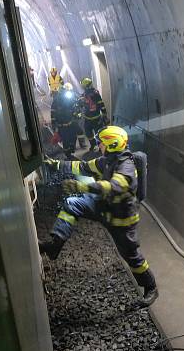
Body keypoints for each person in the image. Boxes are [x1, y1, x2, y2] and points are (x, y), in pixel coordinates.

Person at [39, 125, 159, 307]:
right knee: (73, 203)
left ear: (112, 144)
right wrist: (57, 165)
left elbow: (113, 186)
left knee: (132, 257)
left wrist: (83, 187)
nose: (98, 145)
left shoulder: (126, 166)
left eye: (101, 143)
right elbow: (83, 166)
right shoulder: (108, 160)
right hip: (104, 207)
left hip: (121, 220)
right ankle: (55, 245)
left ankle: (151, 288)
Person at [78, 77, 109, 150]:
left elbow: (101, 104)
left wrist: (104, 115)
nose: (82, 88)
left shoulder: (95, 93)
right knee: (88, 133)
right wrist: (80, 102)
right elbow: (81, 105)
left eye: (83, 86)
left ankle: (101, 147)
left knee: (99, 134)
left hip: (96, 118)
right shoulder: (84, 95)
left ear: (85, 86)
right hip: (87, 118)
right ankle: (93, 144)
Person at [50, 82, 79, 159]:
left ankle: (72, 149)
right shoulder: (57, 100)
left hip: (71, 122)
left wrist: (76, 114)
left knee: (73, 136)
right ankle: (67, 154)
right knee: (66, 139)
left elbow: (74, 107)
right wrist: (54, 124)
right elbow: (53, 112)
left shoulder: (70, 97)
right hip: (62, 124)